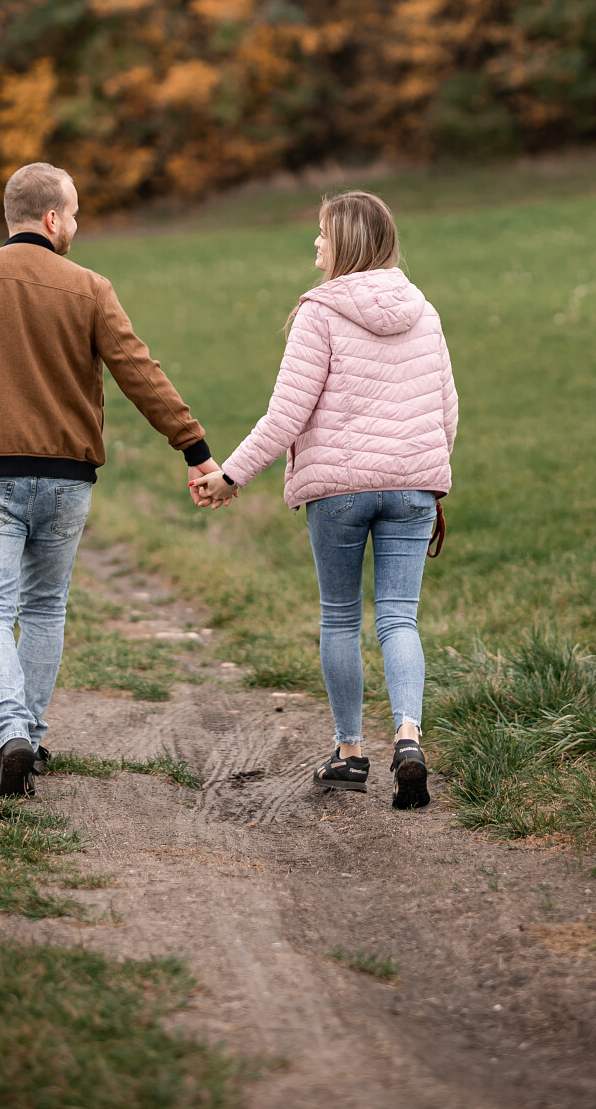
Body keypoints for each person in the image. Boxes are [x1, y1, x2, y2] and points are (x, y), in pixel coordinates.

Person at [0, 160, 221, 797]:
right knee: (43, 607)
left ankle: (10, 732)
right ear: (51, 219)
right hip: (67, 476)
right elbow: (139, 372)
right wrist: (196, 449)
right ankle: (32, 737)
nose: (76, 224)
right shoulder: (89, 287)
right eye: (73, 214)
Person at [192, 191, 456, 809]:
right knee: (399, 617)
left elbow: (287, 414)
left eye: (321, 233)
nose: (314, 243)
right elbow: (447, 414)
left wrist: (231, 476)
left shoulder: (320, 313)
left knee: (341, 616)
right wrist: (424, 474)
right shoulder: (425, 311)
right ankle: (410, 737)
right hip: (415, 488)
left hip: (338, 492)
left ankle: (351, 753)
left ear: (347, 242)